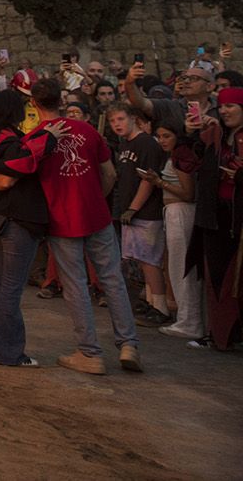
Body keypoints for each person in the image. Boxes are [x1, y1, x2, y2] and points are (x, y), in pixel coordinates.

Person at [32, 78, 142, 374]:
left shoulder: (36, 138)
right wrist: (93, 198)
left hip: (62, 219)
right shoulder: (88, 130)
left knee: (75, 286)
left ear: (34, 104)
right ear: (62, 100)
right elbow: (109, 174)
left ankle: (89, 352)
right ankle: (129, 343)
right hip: (96, 215)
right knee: (112, 280)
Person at [0, 90, 64, 367]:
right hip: (16, 220)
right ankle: (7, 352)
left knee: (1, 285)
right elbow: (6, 178)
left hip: (2, 219)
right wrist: (48, 140)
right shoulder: (7, 140)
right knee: (10, 287)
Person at [106, 102, 170, 326]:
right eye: (113, 121)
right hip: (129, 212)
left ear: (133, 118)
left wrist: (134, 207)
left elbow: (148, 179)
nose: (117, 125)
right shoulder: (125, 144)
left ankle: (160, 307)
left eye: (121, 119)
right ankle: (151, 301)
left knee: (149, 260)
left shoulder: (146, 143)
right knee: (141, 260)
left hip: (146, 212)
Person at [190, 86, 242, 350]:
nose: (225, 111)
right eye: (222, 106)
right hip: (215, 216)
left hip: (239, 218)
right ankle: (218, 334)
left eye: (231, 106)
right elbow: (188, 163)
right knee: (216, 277)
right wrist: (194, 134)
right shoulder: (215, 135)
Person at [146, 116, 205, 341]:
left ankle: (189, 322)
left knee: (183, 268)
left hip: (181, 212)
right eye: (159, 136)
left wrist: (159, 182)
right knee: (177, 267)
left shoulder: (182, 154)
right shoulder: (174, 154)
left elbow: (188, 193)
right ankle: (186, 319)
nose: (161, 140)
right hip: (174, 212)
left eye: (166, 136)